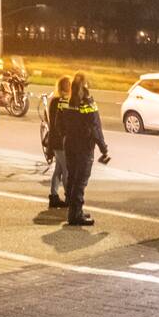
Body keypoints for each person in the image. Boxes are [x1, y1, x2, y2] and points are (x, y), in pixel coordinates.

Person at [60, 72, 108, 226]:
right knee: (80, 182)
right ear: (86, 86)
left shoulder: (65, 100)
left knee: (73, 178)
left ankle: (74, 211)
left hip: (69, 145)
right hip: (84, 148)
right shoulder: (88, 103)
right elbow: (95, 128)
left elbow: (58, 125)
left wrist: (67, 135)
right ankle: (75, 216)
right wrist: (103, 148)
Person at [47, 75, 71, 209]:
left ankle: (54, 196)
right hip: (60, 141)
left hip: (56, 140)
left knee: (59, 169)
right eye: (68, 84)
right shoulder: (60, 101)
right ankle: (69, 196)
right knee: (66, 169)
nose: (70, 86)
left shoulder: (55, 101)